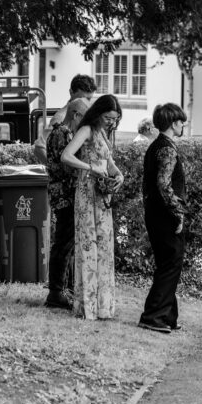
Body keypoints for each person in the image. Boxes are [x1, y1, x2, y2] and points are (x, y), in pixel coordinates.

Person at [61, 94, 124, 320]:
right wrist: (89, 167)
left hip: (102, 195)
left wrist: (118, 175)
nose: (111, 123)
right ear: (98, 113)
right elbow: (66, 156)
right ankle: (87, 305)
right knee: (89, 246)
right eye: (108, 117)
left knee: (105, 248)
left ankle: (103, 306)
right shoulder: (86, 130)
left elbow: (108, 161)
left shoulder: (104, 134)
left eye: (115, 119)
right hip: (87, 194)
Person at [137, 103, 190, 333]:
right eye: (180, 122)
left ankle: (168, 315)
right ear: (172, 123)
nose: (182, 126)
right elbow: (163, 184)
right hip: (165, 216)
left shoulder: (155, 146)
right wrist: (177, 212)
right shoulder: (167, 149)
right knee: (170, 265)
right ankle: (153, 315)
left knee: (167, 265)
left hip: (155, 213)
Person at [42, 96, 89, 310]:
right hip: (64, 195)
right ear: (76, 115)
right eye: (84, 116)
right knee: (63, 243)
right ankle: (56, 292)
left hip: (66, 193)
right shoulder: (61, 133)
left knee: (67, 243)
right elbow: (66, 167)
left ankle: (63, 289)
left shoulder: (66, 133)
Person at [33, 74, 97, 163]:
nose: (84, 103)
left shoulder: (90, 117)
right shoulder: (60, 118)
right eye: (81, 98)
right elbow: (39, 148)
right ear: (71, 92)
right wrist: (55, 172)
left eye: (88, 99)